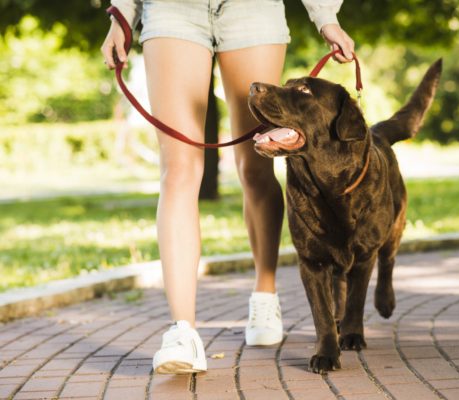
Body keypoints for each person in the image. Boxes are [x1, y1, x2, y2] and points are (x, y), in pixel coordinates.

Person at [101, 0, 355, 374]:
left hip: (252, 9)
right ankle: (182, 332)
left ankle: (265, 294)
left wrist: (325, 15)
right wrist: (123, 13)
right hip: (172, 10)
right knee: (179, 169)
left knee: (255, 166)